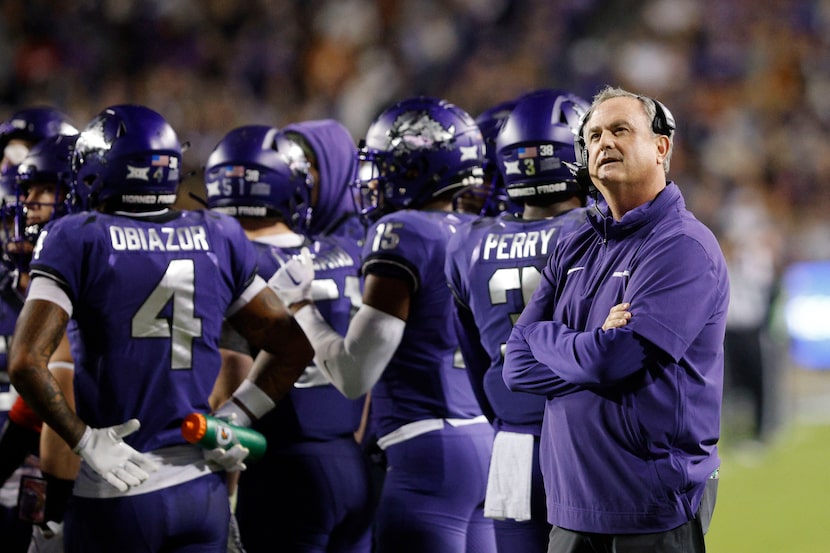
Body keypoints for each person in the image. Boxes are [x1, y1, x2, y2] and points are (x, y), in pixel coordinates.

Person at [7, 104, 313, 553]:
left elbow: (25, 362)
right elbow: (293, 345)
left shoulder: (78, 235)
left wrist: (85, 439)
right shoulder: (219, 233)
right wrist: (233, 419)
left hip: (118, 491)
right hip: (201, 489)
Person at [502, 85, 729, 552]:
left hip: (649, 511)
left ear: (661, 147)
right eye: (594, 136)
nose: (604, 142)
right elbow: (516, 366)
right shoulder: (574, 240)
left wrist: (550, 338)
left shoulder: (683, 245)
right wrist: (586, 345)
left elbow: (616, 359)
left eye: (620, 130)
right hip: (567, 512)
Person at [270, 96, 497, 553]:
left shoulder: (405, 231)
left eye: (385, 163)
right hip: (483, 438)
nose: (374, 177)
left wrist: (300, 306)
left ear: (417, 166)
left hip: (426, 454)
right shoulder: (481, 230)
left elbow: (353, 374)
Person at [204, 121, 374, 552]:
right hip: (347, 455)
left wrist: (224, 496)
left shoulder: (236, 259)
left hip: (276, 464)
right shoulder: (342, 252)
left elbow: (233, 372)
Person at [445, 88, 591, 552]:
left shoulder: (468, 242)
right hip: (586, 439)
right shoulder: (597, 230)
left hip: (510, 440)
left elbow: (472, 357)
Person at [0, 108, 77, 553]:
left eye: (45, 189)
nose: (28, 206)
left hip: (98, 483)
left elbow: (49, 389)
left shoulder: (86, 273)